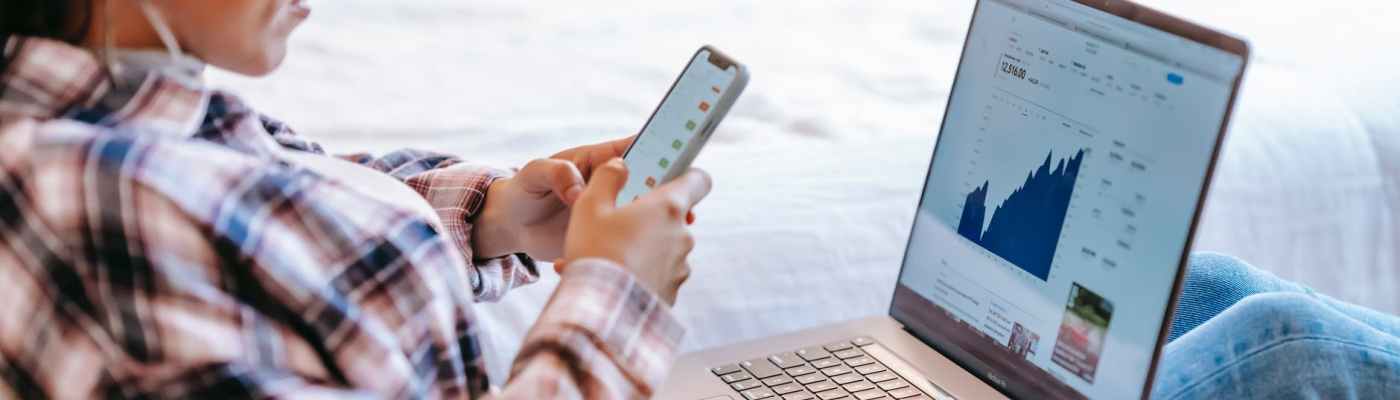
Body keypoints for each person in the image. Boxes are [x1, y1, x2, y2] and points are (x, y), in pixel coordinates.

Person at [1, 1, 1396, 400]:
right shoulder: (96, 191)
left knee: (1203, 290)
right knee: (1284, 347)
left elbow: (273, 215)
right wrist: (610, 293)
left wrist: (495, 213)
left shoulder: (95, 123)